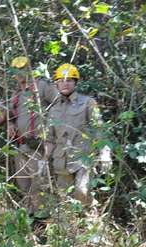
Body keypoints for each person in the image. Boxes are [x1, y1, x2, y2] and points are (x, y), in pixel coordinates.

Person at [0, 56, 58, 215]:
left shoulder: (42, 86)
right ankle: (31, 225)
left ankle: (44, 224)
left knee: (40, 187)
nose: (20, 73)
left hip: (38, 146)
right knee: (24, 187)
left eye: (24, 68)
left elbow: (59, 104)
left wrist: (50, 133)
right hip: (21, 146)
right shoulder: (16, 93)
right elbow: (10, 114)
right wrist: (10, 123)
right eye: (17, 70)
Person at [45, 63, 111, 206]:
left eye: (69, 80)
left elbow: (99, 129)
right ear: (56, 84)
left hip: (84, 159)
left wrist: (105, 152)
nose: (65, 83)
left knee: (82, 192)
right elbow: (50, 139)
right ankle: (76, 226)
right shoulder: (53, 109)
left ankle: (93, 216)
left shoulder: (88, 103)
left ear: (75, 82)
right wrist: (43, 159)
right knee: (64, 200)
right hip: (61, 160)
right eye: (61, 80)